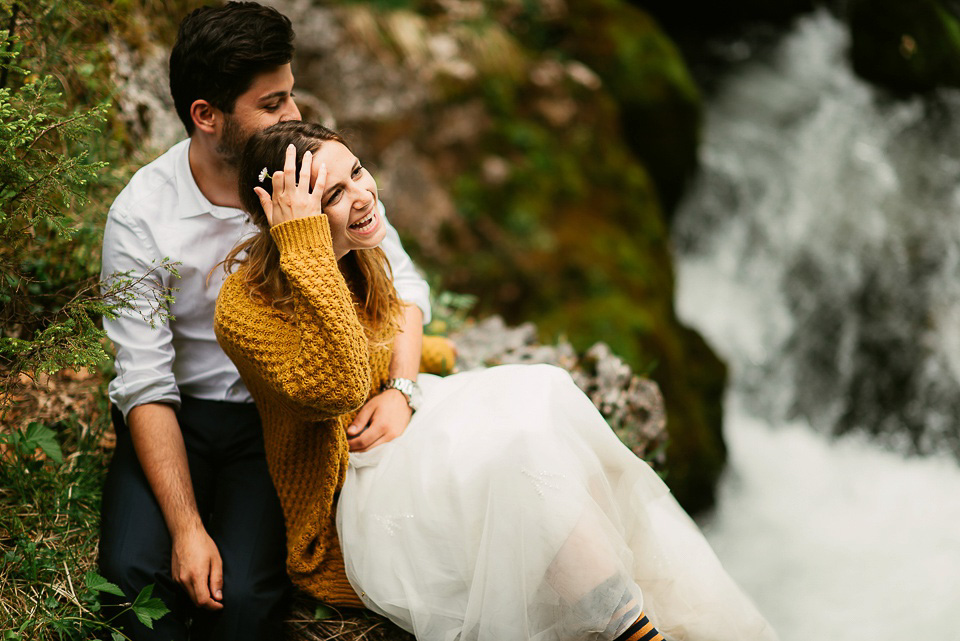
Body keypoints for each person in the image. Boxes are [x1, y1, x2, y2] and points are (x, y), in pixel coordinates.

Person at [213, 120, 780, 641]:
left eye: (357, 171)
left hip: (399, 422)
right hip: (347, 488)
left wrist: (401, 389)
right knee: (514, 465)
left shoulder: (362, 243)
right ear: (286, 217)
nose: (361, 193)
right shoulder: (245, 306)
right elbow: (334, 388)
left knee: (543, 395)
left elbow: (404, 308)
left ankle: (633, 622)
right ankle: (631, 629)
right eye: (332, 195)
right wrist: (306, 247)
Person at [97, 3, 436, 639]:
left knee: (247, 600)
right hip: (181, 414)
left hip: (277, 419)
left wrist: (400, 390)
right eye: (273, 103)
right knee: (130, 578)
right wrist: (187, 529)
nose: (294, 118)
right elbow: (143, 378)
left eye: (291, 95)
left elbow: (402, 284)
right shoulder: (142, 215)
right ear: (206, 116)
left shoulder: (315, 173)